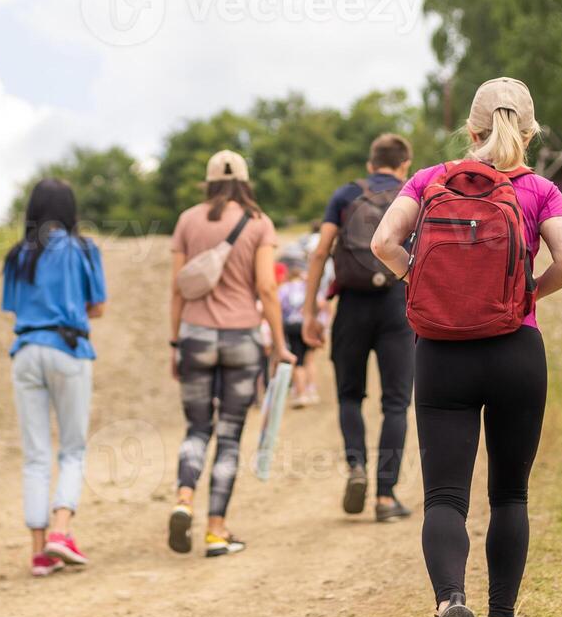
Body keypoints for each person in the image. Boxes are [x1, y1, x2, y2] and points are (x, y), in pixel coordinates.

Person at [369, 78, 562, 617]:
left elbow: (383, 242)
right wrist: (525, 295)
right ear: (531, 129)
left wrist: (417, 283)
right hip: (516, 348)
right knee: (509, 494)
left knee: (444, 496)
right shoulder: (539, 189)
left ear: (471, 130)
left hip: (441, 353)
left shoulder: (430, 179)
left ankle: (447, 609)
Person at [168, 150, 295, 557]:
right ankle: (216, 530)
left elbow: (177, 288)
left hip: (195, 336)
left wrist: (175, 342)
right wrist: (279, 345)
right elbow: (267, 288)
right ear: (245, 181)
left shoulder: (188, 220)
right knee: (228, 435)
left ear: (208, 182)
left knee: (196, 428)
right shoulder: (259, 223)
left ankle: (184, 499)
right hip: (241, 338)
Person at [303, 133, 416, 522]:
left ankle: (356, 466)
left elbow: (320, 253)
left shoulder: (345, 194)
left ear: (371, 164)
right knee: (396, 403)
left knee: (350, 396)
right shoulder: (413, 192)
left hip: (350, 305)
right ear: (405, 164)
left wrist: (309, 314)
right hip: (398, 306)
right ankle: (385, 498)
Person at [1, 179, 108, 578]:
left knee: (35, 454)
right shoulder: (83, 249)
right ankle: (61, 532)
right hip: (69, 350)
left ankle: (38, 551)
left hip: (26, 352)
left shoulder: (17, 255)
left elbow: (13, 308)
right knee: (73, 449)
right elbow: (98, 307)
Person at [277, 255, 322, 407]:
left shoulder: (284, 289)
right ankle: (312, 390)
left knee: (298, 362)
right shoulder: (307, 287)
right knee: (309, 359)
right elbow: (320, 303)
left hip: (291, 327)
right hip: (307, 324)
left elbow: (279, 308)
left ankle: (301, 393)